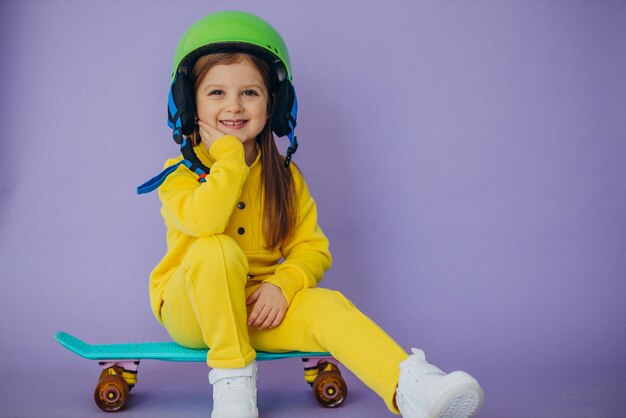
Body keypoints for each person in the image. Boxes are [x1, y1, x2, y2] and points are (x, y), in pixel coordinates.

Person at [138, 11, 484, 418]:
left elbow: (311, 250)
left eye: (250, 93)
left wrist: (282, 286)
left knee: (327, 304)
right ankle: (233, 383)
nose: (233, 105)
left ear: (274, 105)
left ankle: (412, 387)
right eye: (216, 93)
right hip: (191, 311)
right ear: (188, 102)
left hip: (256, 310)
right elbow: (205, 222)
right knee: (217, 249)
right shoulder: (179, 175)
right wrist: (229, 157)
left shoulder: (285, 176)